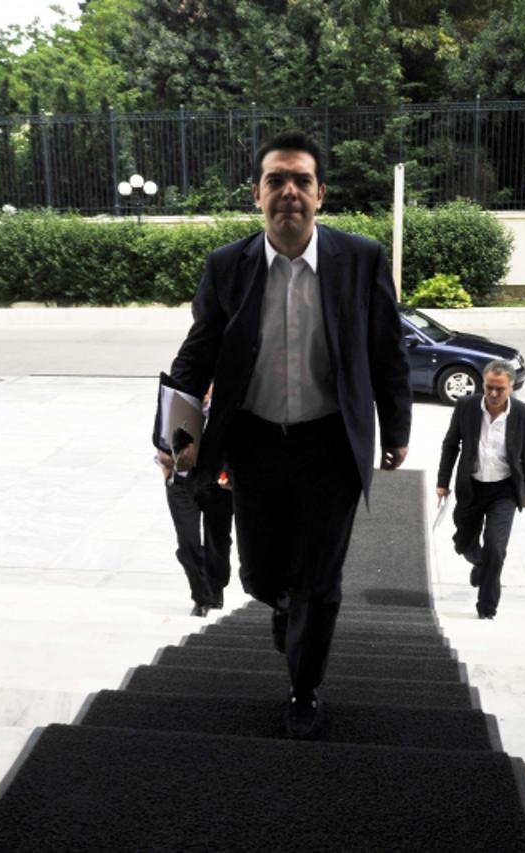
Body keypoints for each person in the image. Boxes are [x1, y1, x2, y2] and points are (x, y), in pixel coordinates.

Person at [158, 129, 411, 739]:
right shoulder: (227, 267)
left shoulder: (361, 260)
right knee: (261, 573)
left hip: (330, 445)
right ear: (257, 195)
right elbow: (197, 355)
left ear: (321, 194)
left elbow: (387, 353)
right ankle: (279, 600)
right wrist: (173, 435)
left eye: (301, 181)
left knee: (322, 581)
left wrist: (396, 428)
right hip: (254, 445)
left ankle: (304, 689)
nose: (289, 192)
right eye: (277, 180)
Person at [435, 360, 525, 619]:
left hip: (504, 491)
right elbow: (450, 445)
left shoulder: (524, 413)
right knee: (463, 543)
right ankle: (481, 565)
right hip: (471, 488)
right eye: (489, 387)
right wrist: (443, 483)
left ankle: (487, 607)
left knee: (495, 546)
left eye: (499, 389)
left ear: (511, 387)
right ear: (483, 384)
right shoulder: (466, 407)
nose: (493, 394)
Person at [156, 390, 234, 617]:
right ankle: (202, 597)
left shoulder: (227, 409)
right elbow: (161, 439)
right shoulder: (177, 403)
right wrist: (168, 474)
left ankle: (216, 588)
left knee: (218, 543)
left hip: (216, 485)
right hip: (181, 484)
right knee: (188, 543)